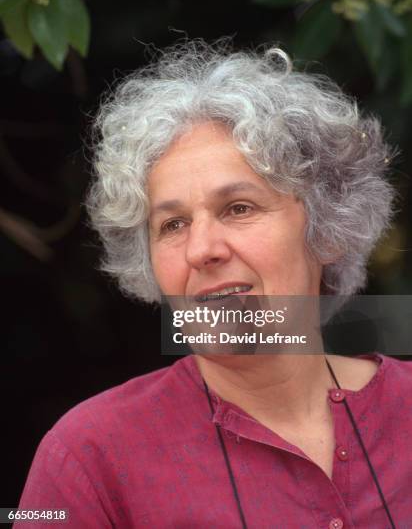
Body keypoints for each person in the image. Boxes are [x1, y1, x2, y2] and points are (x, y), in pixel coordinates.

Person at [16, 41, 412, 528]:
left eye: (238, 208)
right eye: (173, 224)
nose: (201, 249)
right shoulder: (88, 457)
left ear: (327, 230)